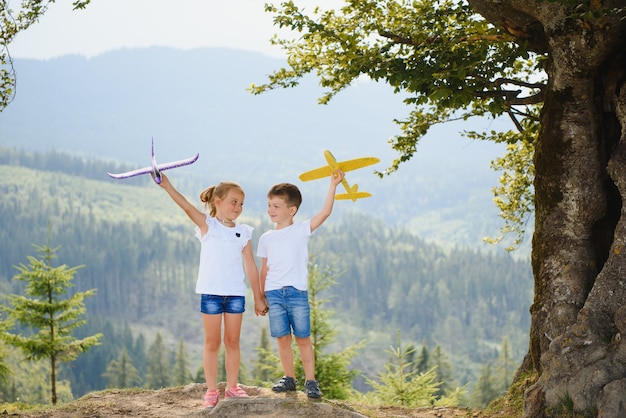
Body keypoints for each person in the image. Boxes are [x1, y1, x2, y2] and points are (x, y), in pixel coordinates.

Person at [156, 173, 267, 409]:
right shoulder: (208, 225)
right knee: (212, 343)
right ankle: (211, 390)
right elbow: (186, 206)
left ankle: (233, 387)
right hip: (211, 295)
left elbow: (250, 265)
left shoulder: (244, 232)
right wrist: (167, 186)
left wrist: (258, 297)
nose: (238, 207)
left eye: (241, 203)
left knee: (233, 342)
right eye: (233, 201)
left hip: (236, 295)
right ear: (218, 201)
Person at [256, 170, 345, 399]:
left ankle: (311, 381)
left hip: (296, 294)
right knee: (283, 338)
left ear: (291, 210)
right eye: (269, 205)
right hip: (273, 293)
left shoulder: (301, 230)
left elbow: (325, 212)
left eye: (276, 206)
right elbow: (264, 269)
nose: (270, 210)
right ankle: (289, 379)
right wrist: (259, 296)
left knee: (303, 339)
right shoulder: (266, 238)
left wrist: (333, 185)